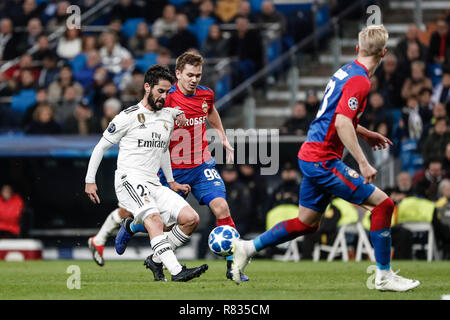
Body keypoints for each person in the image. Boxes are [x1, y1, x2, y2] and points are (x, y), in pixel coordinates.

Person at [231, 25, 421, 291]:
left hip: (311, 155)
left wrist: (365, 133)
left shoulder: (346, 71)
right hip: (323, 160)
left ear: (358, 49)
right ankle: (384, 275)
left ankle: (247, 247)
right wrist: (363, 162)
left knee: (306, 223)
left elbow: (335, 117)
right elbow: (342, 122)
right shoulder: (361, 81)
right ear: (384, 54)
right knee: (384, 205)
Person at [114, 52, 248, 281]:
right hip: (171, 170)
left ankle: (232, 266)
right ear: (178, 74)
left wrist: (222, 136)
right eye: (189, 75)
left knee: (222, 208)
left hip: (201, 164)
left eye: (198, 75)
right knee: (165, 225)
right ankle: (132, 227)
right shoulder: (166, 97)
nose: (194, 79)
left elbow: (211, 110)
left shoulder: (206, 95)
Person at [85, 65, 208, 281]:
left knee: (191, 219)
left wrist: (171, 182)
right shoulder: (128, 116)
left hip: (153, 182)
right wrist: (89, 180)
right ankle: (177, 271)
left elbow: (162, 151)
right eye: (160, 91)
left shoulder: (167, 116)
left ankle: (156, 260)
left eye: (168, 92)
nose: (164, 97)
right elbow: (100, 147)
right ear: (147, 87)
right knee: (153, 219)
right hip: (128, 180)